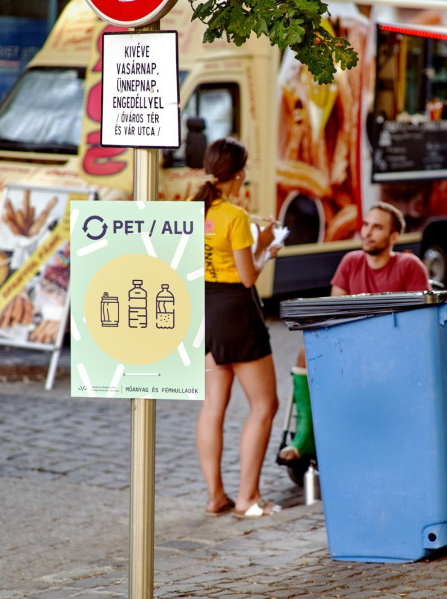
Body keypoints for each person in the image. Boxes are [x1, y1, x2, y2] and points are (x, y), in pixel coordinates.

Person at [277, 202, 431, 463]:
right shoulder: (351, 262)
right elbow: (333, 315)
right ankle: (306, 434)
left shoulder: (409, 266)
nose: (367, 232)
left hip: (394, 354)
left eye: (377, 227)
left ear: (393, 237)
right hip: (351, 347)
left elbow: (420, 326)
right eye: (366, 224)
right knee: (306, 353)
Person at [195, 138, 284, 518]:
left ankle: (215, 496)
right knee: (265, 405)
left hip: (206, 310)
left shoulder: (194, 211)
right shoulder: (235, 217)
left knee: (213, 406)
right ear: (239, 174)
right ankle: (248, 498)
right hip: (237, 312)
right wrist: (265, 247)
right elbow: (248, 277)